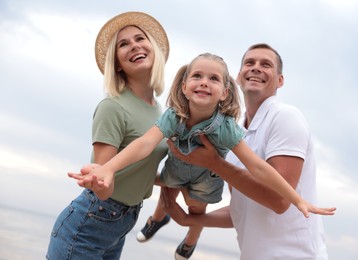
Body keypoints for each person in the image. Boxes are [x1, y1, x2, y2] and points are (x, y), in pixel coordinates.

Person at [69, 52, 335, 259]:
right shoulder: (174, 116)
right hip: (176, 170)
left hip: (204, 180)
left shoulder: (228, 128)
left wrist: (297, 199)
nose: (204, 83)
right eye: (197, 76)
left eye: (213, 79)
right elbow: (144, 144)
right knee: (165, 190)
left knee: (196, 211)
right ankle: (156, 220)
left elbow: (259, 168)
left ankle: (190, 242)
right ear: (184, 86)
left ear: (225, 92)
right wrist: (108, 168)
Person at [160, 43, 335, 260]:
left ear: (280, 80)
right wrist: (192, 220)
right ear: (238, 77)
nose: (256, 68)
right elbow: (243, 211)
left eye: (266, 64)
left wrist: (214, 163)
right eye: (249, 63)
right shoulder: (236, 136)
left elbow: (279, 201)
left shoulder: (285, 117)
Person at [46, 11, 170, 260]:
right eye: (123, 44)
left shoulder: (160, 112)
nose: (134, 46)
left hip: (119, 225)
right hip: (88, 225)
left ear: (153, 49)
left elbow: (137, 168)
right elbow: (103, 181)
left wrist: (177, 182)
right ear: (117, 64)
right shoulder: (113, 107)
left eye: (139, 38)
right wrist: (98, 181)